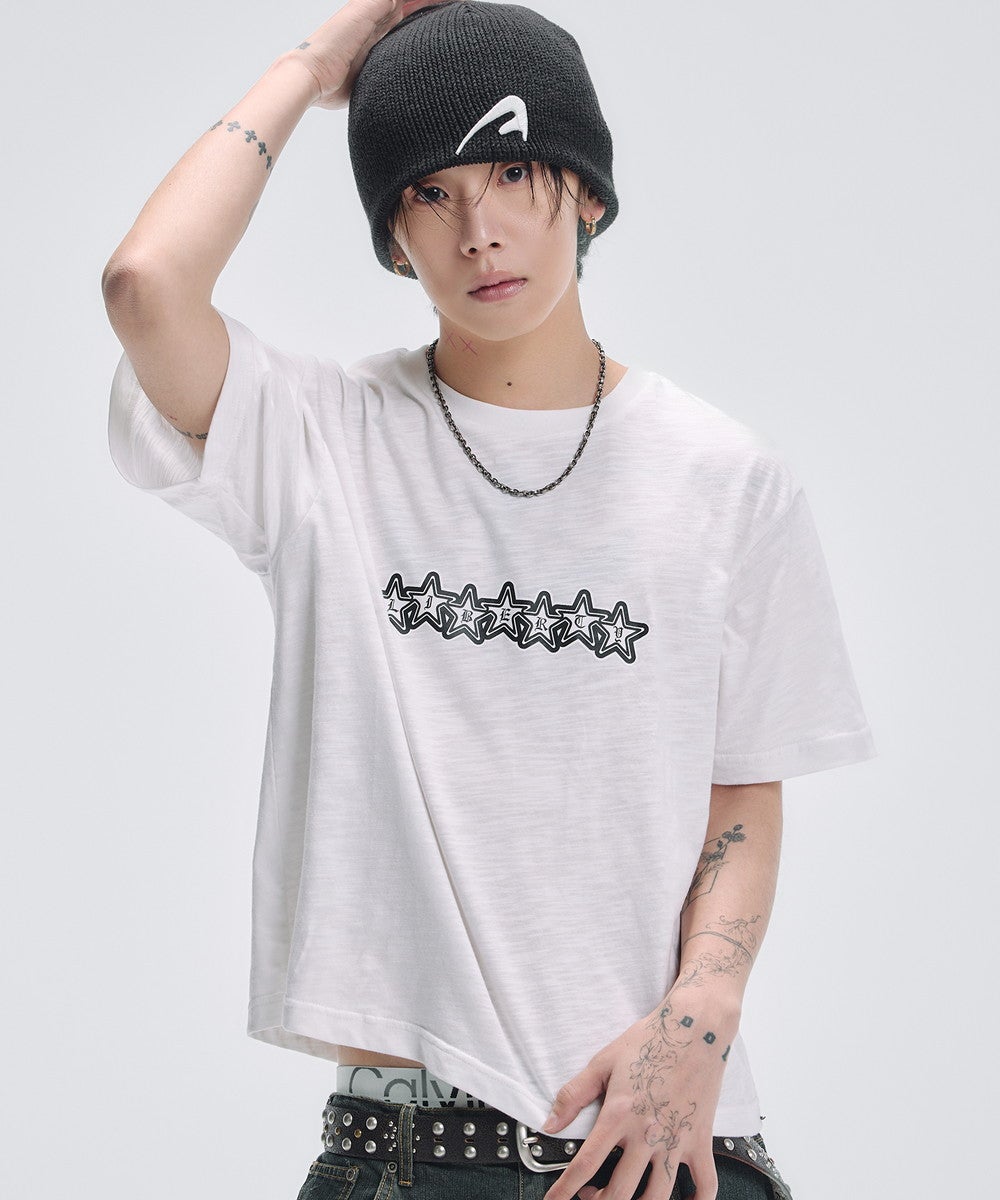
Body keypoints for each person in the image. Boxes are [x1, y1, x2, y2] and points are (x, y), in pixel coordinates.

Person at [101, 2, 877, 1198]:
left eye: (513, 172)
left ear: (588, 194)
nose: (480, 231)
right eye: (431, 193)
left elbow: (742, 783)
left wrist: (704, 1008)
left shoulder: (724, 480)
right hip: (411, 1160)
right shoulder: (319, 442)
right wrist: (311, 68)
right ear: (393, 238)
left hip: (660, 1148)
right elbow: (146, 282)